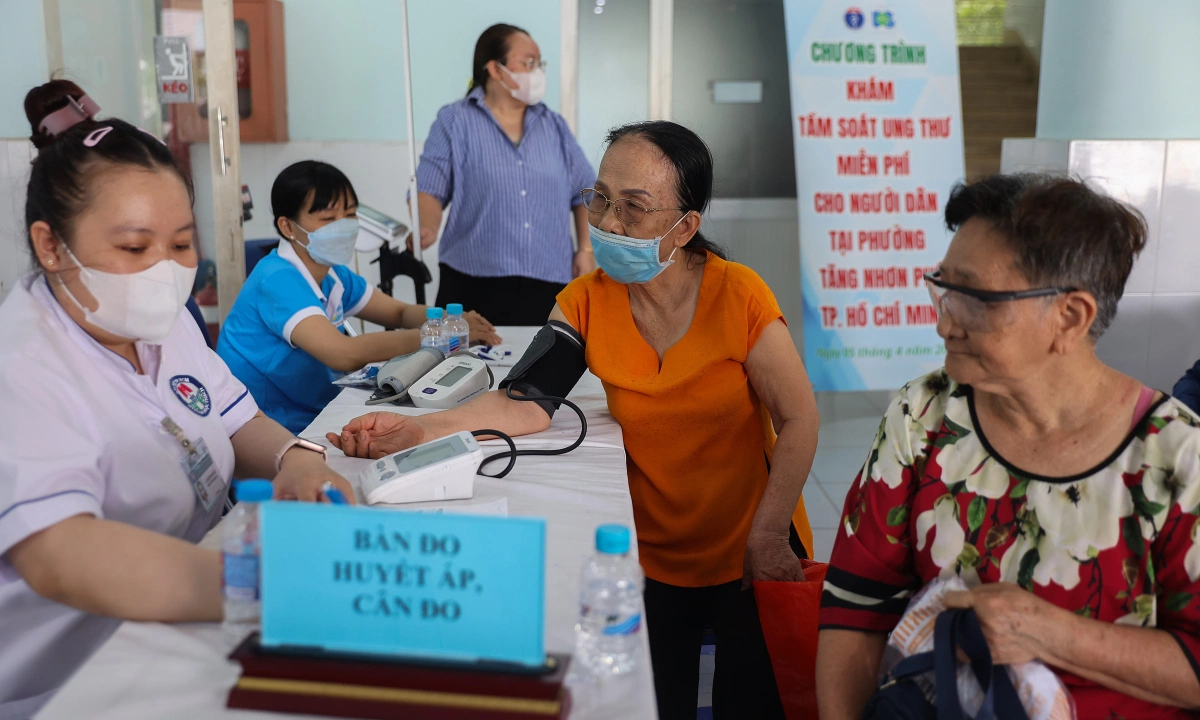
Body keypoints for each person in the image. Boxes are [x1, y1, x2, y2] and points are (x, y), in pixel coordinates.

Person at [331, 121, 821, 720]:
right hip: (650, 553)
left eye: (634, 209)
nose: (609, 223)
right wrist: (421, 430)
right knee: (651, 703)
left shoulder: (738, 295)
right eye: (600, 199)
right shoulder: (586, 300)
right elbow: (524, 401)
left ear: (684, 226)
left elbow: (799, 417)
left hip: (751, 543)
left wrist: (768, 534)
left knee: (753, 703)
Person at [0, 81, 354, 718]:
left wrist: (296, 460)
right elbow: (60, 554)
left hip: (181, 621)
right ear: (51, 246)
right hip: (64, 681)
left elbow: (235, 418)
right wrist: (265, 585)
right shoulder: (21, 366)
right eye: (135, 248)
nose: (166, 270)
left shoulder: (162, 322)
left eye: (182, 244)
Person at [816, 174, 1200, 719]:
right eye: (942, 289)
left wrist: (1051, 634)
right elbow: (856, 607)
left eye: (974, 301)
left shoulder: (1177, 458)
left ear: (1069, 318)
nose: (945, 323)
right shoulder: (924, 415)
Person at [217, 161, 501, 434]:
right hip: (272, 424)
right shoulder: (276, 279)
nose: (344, 226)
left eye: (351, 214)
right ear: (288, 227)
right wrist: (436, 337)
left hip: (313, 409)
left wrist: (452, 319)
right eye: (328, 218)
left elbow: (398, 313)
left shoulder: (332, 274)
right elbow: (344, 354)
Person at [411, 23, 597, 325]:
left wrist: (585, 249)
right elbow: (429, 186)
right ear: (495, 70)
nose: (537, 72)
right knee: (466, 367)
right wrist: (426, 226)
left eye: (540, 63)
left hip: (549, 279)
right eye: (528, 63)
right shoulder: (454, 120)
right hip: (472, 282)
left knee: (543, 368)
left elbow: (585, 192)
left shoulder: (554, 126)